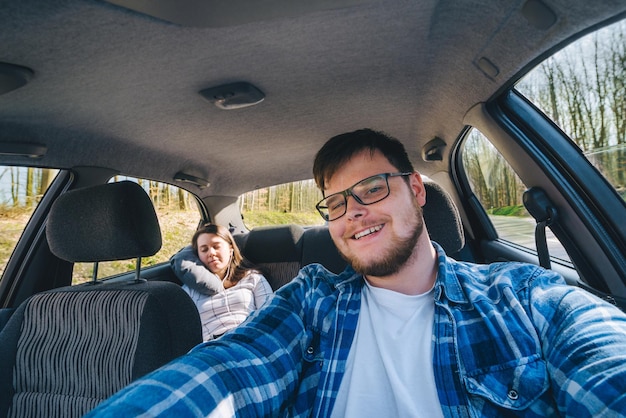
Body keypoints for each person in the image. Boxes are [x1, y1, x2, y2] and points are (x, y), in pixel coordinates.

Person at [87, 129, 626, 417]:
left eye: (372, 189)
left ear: (416, 190)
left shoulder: (522, 296)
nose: (354, 213)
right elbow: (229, 370)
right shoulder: (312, 301)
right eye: (337, 203)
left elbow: (604, 361)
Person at [171, 223, 273, 341]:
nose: (211, 253)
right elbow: (183, 331)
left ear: (230, 249)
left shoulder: (253, 278)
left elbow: (269, 315)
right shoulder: (189, 290)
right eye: (204, 249)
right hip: (210, 348)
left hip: (249, 339)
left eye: (216, 246)